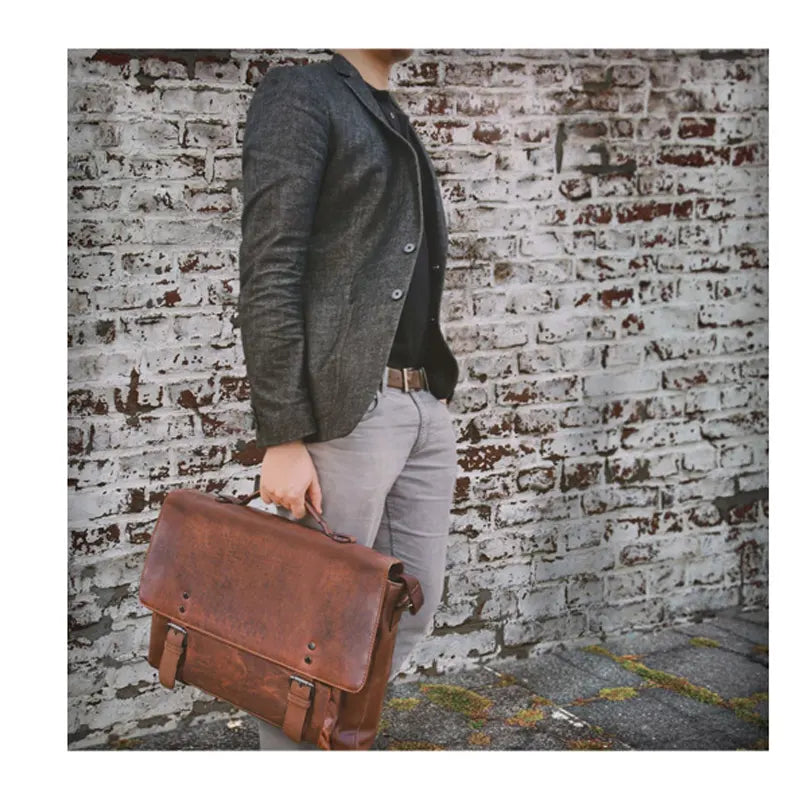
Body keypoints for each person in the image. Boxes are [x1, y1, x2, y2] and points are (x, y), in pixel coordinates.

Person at [237, 48, 460, 750]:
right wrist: (282, 436)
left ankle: (340, 746)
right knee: (311, 626)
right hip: (347, 412)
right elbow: (271, 267)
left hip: (422, 403)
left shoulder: (391, 112)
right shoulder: (303, 94)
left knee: (409, 607)